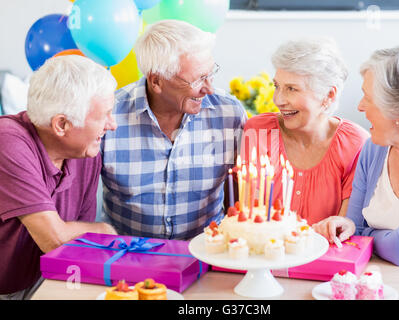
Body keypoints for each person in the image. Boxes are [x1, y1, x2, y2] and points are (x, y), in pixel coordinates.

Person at [313, 45, 399, 298]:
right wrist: (352, 228)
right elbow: (352, 227)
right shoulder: (374, 148)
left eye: (368, 97)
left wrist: (364, 234)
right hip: (373, 274)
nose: (360, 107)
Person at [101, 20, 247, 240]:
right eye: (198, 79)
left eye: (210, 73)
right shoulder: (110, 115)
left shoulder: (229, 114)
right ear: (156, 81)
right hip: (128, 257)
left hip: (207, 254)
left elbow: (243, 197)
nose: (208, 88)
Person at [0, 55, 118, 299]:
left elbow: (78, 248)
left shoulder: (86, 153)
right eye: (104, 115)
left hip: (44, 281)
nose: (112, 124)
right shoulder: (7, 141)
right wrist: (103, 228)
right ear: (61, 125)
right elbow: (55, 240)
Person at [240, 38, 369, 225]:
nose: (278, 100)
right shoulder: (259, 132)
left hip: (328, 253)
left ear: (328, 95)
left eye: (292, 89)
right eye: (277, 86)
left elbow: (345, 230)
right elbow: (250, 219)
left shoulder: (356, 144)